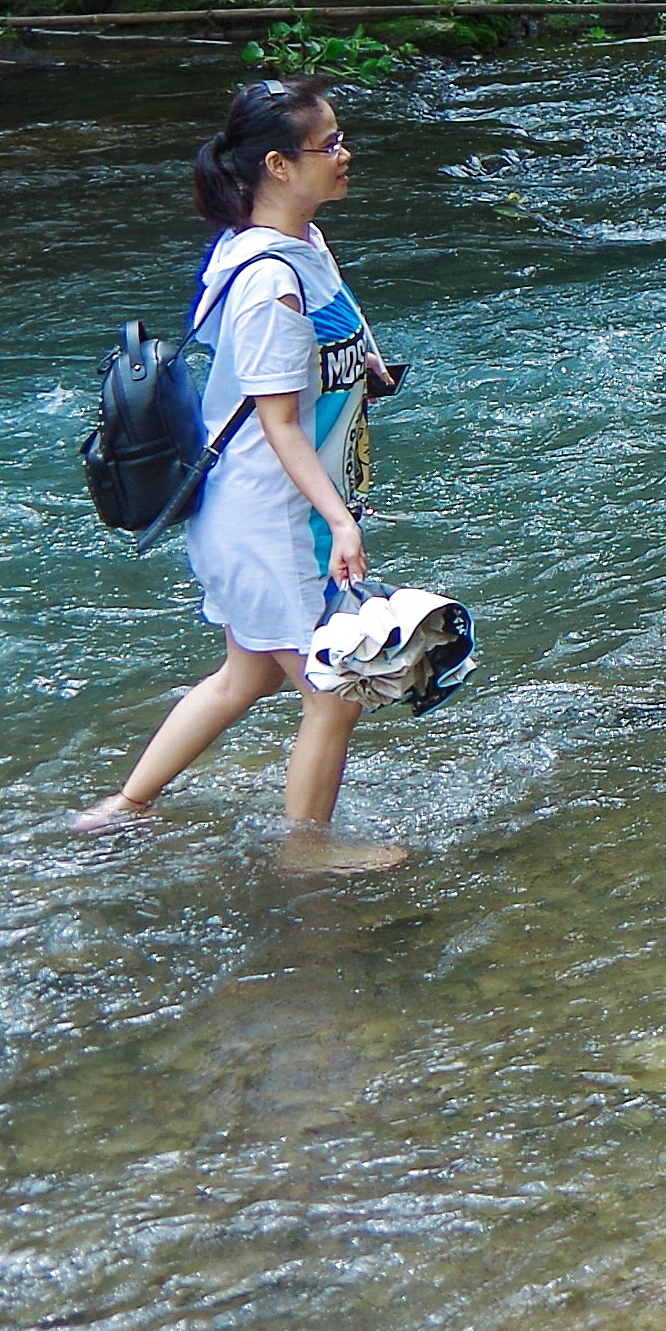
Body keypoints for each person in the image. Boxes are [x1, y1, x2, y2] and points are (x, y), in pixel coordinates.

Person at [73, 80, 412, 868]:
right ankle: (306, 852)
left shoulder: (305, 249)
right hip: (265, 514)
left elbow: (324, 347)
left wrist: (363, 370)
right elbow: (278, 423)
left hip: (272, 505)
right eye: (327, 145)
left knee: (246, 674)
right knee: (335, 690)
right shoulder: (266, 281)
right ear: (277, 165)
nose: (344, 154)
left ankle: (125, 807)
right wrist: (339, 520)